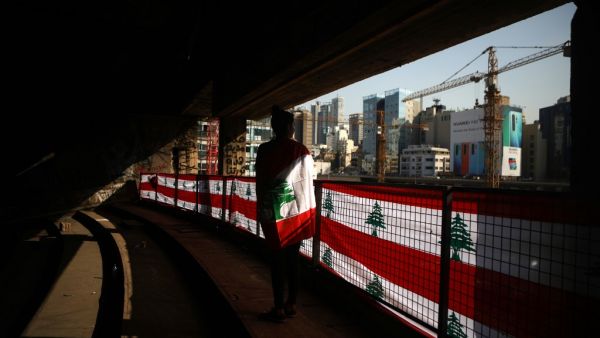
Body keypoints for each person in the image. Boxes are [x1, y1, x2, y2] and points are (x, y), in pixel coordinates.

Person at [255, 105, 316, 323]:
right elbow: (307, 184)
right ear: (290, 127)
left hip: (272, 212)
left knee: (276, 261)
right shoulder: (302, 151)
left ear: (273, 127)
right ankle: (291, 304)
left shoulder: (263, 150)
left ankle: (278, 307)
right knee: (293, 261)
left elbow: (260, 183)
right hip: (296, 213)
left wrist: (261, 208)